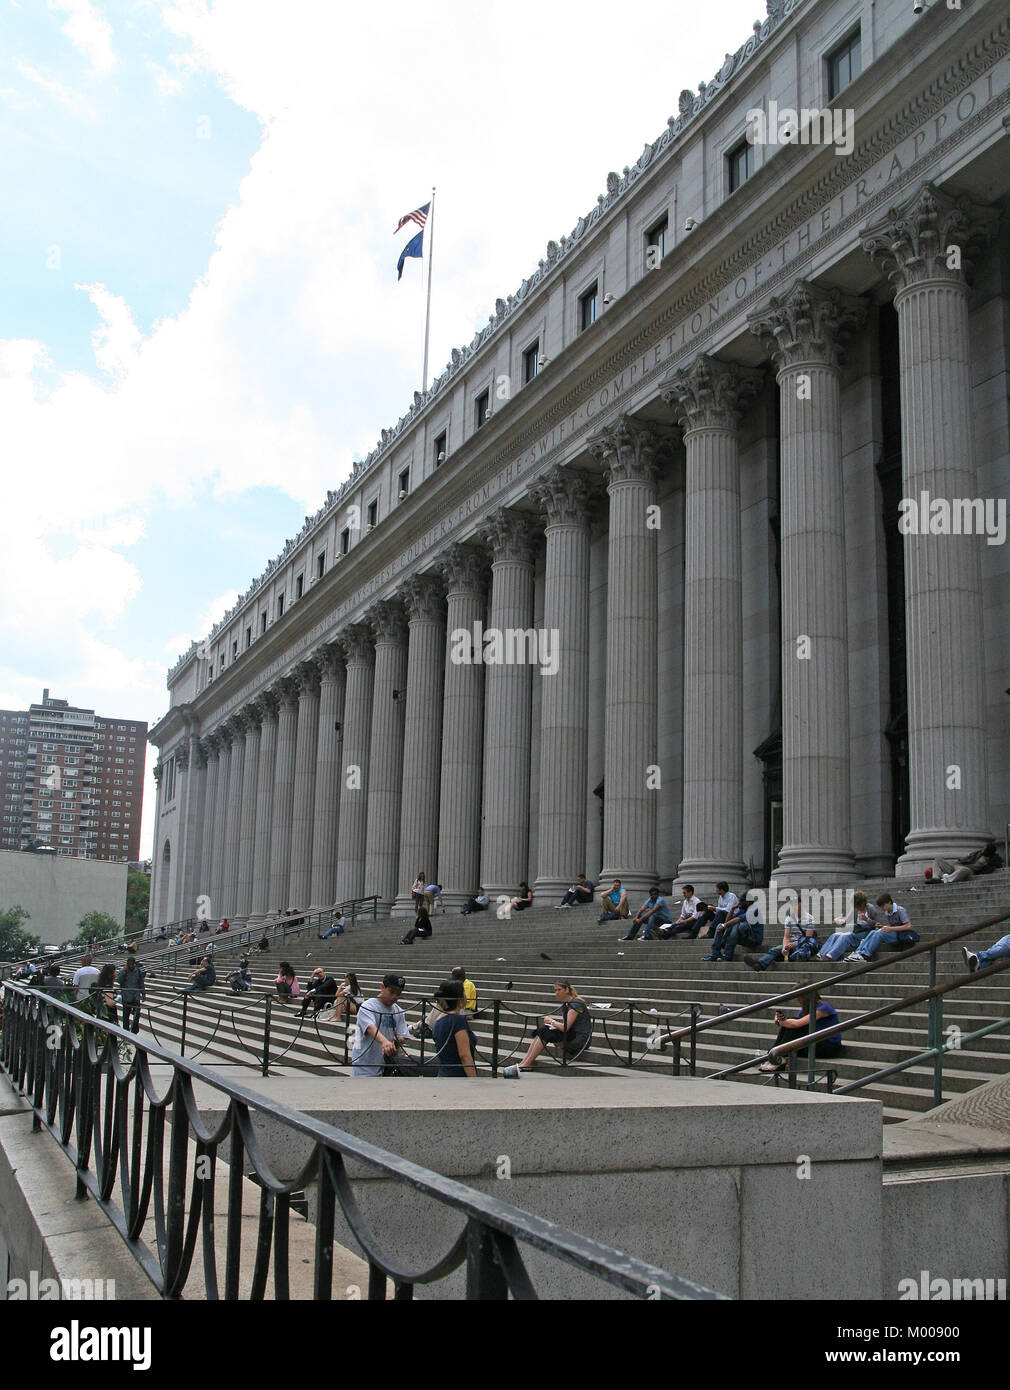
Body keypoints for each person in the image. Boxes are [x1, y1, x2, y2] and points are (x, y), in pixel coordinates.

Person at [502, 980, 592, 1077]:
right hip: (572, 1034)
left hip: (580, 1039)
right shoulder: (567, 1004)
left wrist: (552, 1021)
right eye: (555, 990)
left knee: (545, 1032)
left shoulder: (576, 1004)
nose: (557, 992)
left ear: (567, 990)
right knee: (543, 1031)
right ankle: (524, 1063)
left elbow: (565, 1028)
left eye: (559, 990)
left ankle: (526, 1064)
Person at [759, 992, 843, 1072]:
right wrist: (781, 1020)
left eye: (799, 997)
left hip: (829, 1047)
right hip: (814, 1044)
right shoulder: (805, 1009)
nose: (798, 1000)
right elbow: (792, 1024)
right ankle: (775, 1055)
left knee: (793, 1023)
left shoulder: (824, 1007)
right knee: (789, 1024)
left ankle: (777, 1056)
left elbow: (797, 1024)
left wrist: (781, 1022)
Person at [350, 973, 411, 1077]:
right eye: (391, 992)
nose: (394, 997)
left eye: (398, 994)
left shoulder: (399, 1011)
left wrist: (398, 1040)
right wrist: (384, 1041)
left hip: (387, 1065)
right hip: (366, 1066)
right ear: (382, 987)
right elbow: (370, 1027)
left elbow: (402, 1035)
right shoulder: (368, 1006)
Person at [745, 897, 818, 970]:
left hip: (803, 945)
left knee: (799, 952)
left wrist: (795, 944)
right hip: (790, 945)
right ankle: (759, 964)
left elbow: (808, 938)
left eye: (795, 904)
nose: (793, 907)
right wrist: (784, 947)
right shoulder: (789, 918)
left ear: (801, 904)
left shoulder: (809, 918)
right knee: (774, 950)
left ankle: (784, 957)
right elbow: (786, 936)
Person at [845, 894, 919, 962]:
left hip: (901, 935)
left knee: (880, 933)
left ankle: (865, 954)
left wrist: (890, 929)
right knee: (873, 932)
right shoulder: (887, 912)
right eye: (881, 906)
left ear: (890, 902)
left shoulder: (900, 910)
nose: (882, 908)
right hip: (895, 933)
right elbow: (893, 926)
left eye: (883, 905)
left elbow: (908, 926)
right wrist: (883, 926)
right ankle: (858, 952)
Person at [817, 891, 884, 961]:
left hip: (865, 934)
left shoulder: (870, 908)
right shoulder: (855, 909)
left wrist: (866, 919)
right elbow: (846, 921)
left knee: (845, 936)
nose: (858, 908)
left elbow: (878, 925)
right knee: (835, 935)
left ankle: (830, 956)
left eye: (858, 906)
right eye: (856, 906)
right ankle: (820, 954)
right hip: (856, 931)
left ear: (863, 903)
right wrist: (839, 921)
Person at [431, 980, 478, 1077]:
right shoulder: (457, 1020)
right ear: (459, 998)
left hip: (443, 1074)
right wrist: (474, 1080)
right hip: (458, 1077)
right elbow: (464, 1056)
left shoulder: (439, 1020)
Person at [703, 891, 764, 962]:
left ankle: (727, 954)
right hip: (743, 936)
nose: (739, 903)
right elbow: (727, 921)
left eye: (741, 901)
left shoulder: (754, 909)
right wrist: (732, 910)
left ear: (748, 902)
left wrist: (724, 925)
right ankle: (715, 954)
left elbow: (738, 919)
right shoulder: (742, 910)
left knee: (737, 924)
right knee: (720, 925)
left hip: (753, 939)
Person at [117, 957, 146, 1033]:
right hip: (126, 996)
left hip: (135, 996)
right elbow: (119, 980)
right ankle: (126, 1031)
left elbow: (141, 982)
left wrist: (143, 993)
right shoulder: (123, 971)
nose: (131, 966)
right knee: (126, 1015)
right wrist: (124, 971)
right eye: (129, 964)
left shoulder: (138, 971)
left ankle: (134, 1031)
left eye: (132, 964)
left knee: (137, 1014)